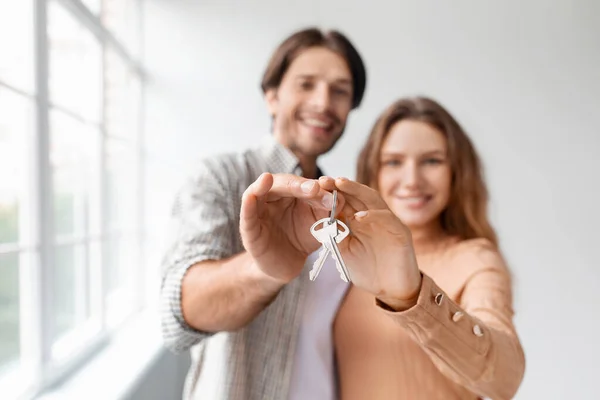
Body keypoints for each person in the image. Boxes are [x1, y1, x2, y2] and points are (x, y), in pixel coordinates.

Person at [159, 27, 367, 400]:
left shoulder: (345, 205)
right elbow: (180, 311)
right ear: (272, 96)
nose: (323, 102)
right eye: (306, 84)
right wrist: (266, 267)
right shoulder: (221, 178)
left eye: (339, 91)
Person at [316, 96, 526, 399]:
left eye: (432, 161)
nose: (412, 180)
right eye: (394, 162)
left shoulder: (475, 260)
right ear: (372, 170)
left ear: (457, 172)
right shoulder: (345, 255)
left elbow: (503, 379)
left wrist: (413, 298)